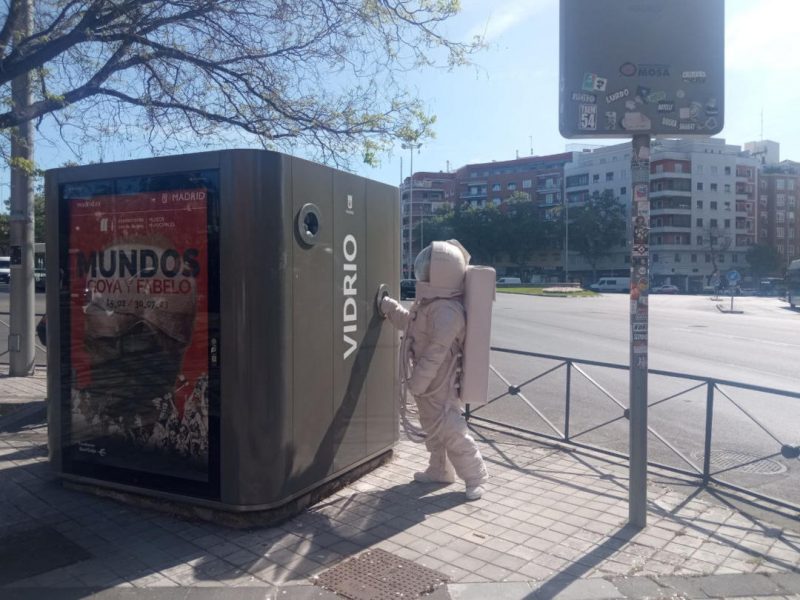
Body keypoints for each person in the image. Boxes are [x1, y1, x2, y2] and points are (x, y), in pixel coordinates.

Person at [379, 240, 488, 501]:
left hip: (440, 381)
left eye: (427, 268)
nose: (422, 273)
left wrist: (417, 381)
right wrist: (390, 309)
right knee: (433, 427)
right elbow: (413, 326)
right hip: (429, 382)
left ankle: (476, 476)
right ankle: (439, 470)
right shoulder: (431, 304)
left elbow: (436, 351)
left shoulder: (447, 310)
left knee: (450, 428)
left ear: (439, 273)